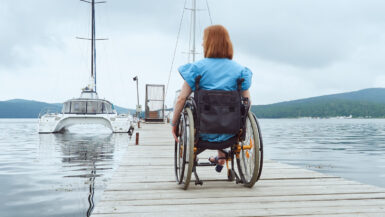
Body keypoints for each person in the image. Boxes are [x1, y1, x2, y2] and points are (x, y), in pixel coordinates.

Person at [171, 25, 252, 172]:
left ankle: (195, 156)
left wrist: (174, 123)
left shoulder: (196, 69)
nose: (202, 43)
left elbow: (181, 99)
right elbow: (247, 103)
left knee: (192, 106)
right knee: (226, 111)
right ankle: (221, 155)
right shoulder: (240, 71)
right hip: (231, 130)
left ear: (209, 43)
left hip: (203, 130)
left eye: (203, 40)